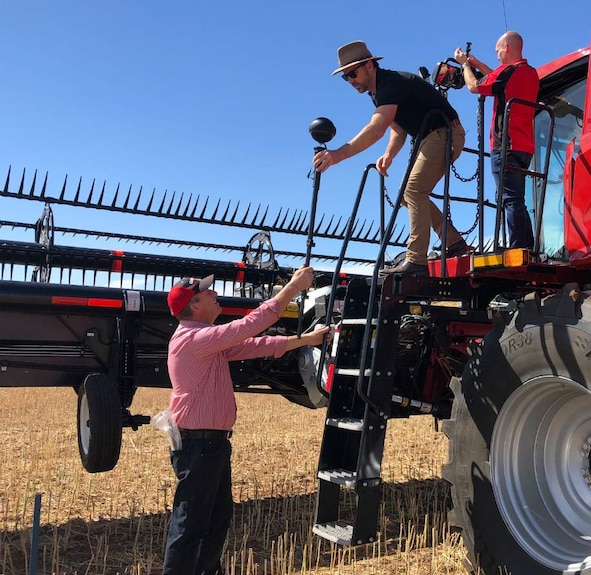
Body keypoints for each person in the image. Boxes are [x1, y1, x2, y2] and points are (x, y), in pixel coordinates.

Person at [161, 267, 329, 575]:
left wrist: (306, 339)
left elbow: (255, 345)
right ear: (195, 306)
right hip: (199, 445)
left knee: (216, 518)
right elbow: (253, 323)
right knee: (190, 525)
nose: (215, 293)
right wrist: (292, 287)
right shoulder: (194, 339)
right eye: (207, 292)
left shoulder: (205, 342)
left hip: (211, 445)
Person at [313, 40, 471, 276]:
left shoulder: (390, 84)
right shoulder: (378, 94)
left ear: (369, 65)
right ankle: (455, 242)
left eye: (352, 74)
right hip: (430, 136)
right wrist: (389, 155)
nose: (351, 81)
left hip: (445, 133)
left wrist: (338, 155)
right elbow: (397, 127)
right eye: (345, 77)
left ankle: (416, 261)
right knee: (407, 195)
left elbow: (377, 127)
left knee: (413, 190)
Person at [454, 31, 539, 249]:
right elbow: (498, 79)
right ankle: (527, 245)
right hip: (524, 147)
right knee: (517, 199)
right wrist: (476, 62)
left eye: (498, 50)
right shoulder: (529, 73)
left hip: (505, 145)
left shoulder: (509, 71)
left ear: (507, 47)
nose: (497, 55)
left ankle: (518, 247)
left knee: (510, 200)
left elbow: (475, 87)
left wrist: (465, 66)